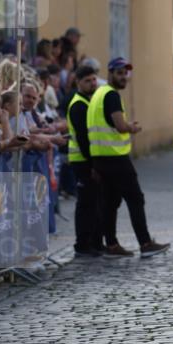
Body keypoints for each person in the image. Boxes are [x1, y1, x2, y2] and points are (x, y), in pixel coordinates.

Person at [87, 56, 169, 258]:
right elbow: (120, 126)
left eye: (126, 73)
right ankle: (145, 243)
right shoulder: (112, 95)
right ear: (110, 73)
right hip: (116, 159)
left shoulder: (98, 94)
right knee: (135, 199)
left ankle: (112, 245)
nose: (124, 77)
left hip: (100, 159)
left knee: (111, 202)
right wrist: (132, 128)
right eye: (120, 73)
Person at [66, 63, 103, 257]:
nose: (92, 83)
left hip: (87, 161)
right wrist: (93, 165)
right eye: (87, 80)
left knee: (94, 202)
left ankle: (95, 242)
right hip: (82, 161)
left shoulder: (88, 102)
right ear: (78, 82)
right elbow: (82, 139)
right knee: (86, 204)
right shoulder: (79, 104)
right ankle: (83, 243)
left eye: (94, 79)